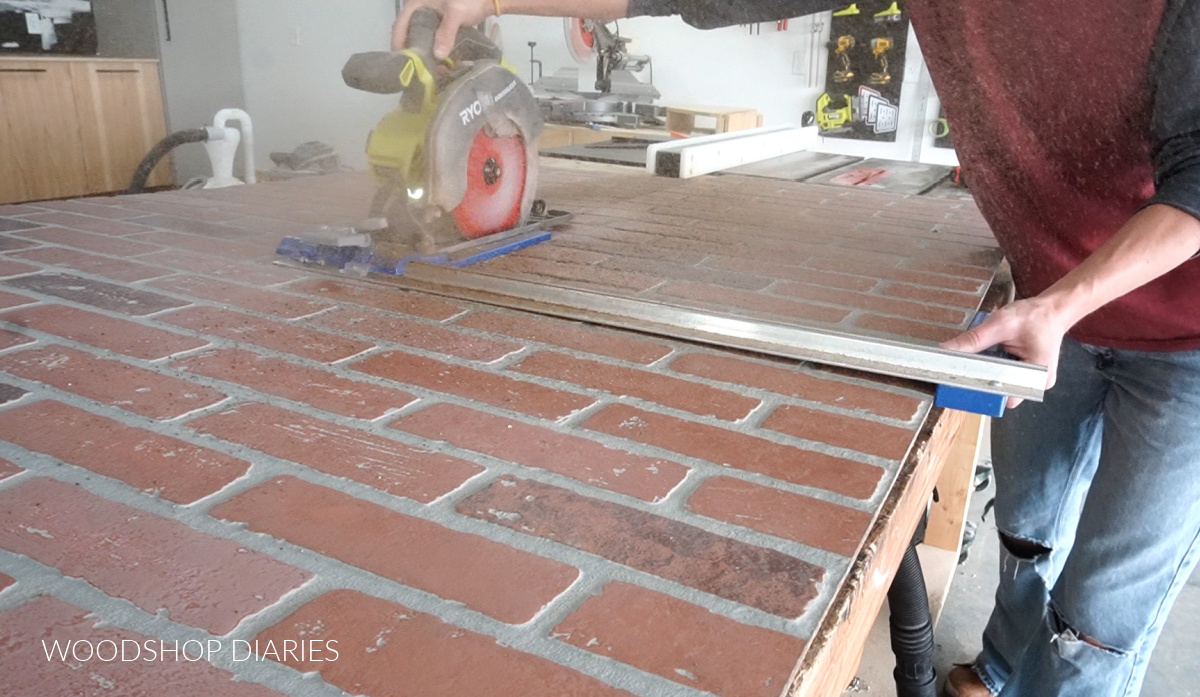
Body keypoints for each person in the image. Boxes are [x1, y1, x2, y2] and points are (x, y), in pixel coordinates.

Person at [392, 2, 1200, 696]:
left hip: (1182, 334)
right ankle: (1000, 662)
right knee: (1027, 529)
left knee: (1098, 619)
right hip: (1045, 296)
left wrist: (1067, 301)